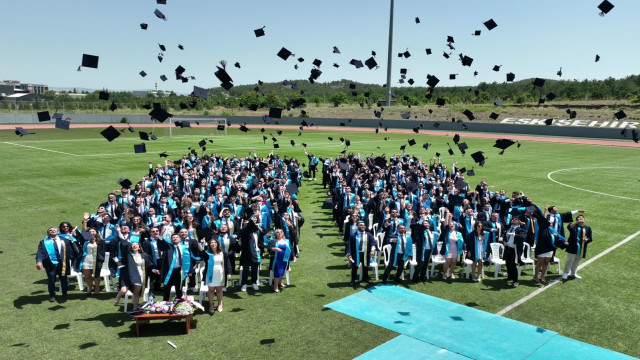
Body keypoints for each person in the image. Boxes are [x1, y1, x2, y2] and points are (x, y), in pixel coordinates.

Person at [113, 241, 158, 309]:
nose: (134, 246)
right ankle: (118, 296)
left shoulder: (145, 256)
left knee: (136, 292)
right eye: (132, 245)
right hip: (127, 276)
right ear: (130, 247)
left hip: (139, 276)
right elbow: (117, 256)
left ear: (139, 247)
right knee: (123, 290)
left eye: (136, 244)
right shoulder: (128, 255)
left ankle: (135, 308)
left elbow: (149, 266)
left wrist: (154, 270)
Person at [36, 227, 76, 302]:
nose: (53, 230)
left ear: (58, 232)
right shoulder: (44, 242)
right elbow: (40, 252)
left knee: (64, 279)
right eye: (50, 230)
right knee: (51, 280)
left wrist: (73, 261)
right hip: (50, 264)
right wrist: (39, 261)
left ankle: (64, 293)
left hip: (63, 263)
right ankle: (52, 295)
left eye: (54, 229)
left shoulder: (65, 240)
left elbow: (71, 251)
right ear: (48, 233)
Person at [200, 238, 231, 313]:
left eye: (215, 242)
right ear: (209, 245)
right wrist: (201, 245)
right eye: (211, 243)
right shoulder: (207, 253)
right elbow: (200, 255)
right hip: (210, 273)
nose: (213, 244)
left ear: (217, 244)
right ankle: (211, 305)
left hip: (220, 273)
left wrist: (229, 272)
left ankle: (220, 304)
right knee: (211, 290)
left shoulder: (222, 253)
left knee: (219, 289)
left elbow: (228, 263)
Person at [345, 221, 376, 286]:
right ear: (357, 226)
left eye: (364, 225)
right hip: (356, 254)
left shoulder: (368, 234)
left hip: (365, 254)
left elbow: (373, 242)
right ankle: (353, 280)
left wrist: (372, 250)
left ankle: (366, 278)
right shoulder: (353, 235)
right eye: (361, 225)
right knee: (354, 267)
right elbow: (349, 245)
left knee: (365, 267)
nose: (362, 226)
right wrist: (349, 254)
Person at [77, 227, 106, 295]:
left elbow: (102, 252)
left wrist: (100, 261)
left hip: (96, 260)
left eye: (93, 231)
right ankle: (90, 287)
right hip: (86, 259)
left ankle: (96, 288)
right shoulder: (85, 241)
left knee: (96, 275)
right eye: (90, 231)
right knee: (87, 275)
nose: (92, 233)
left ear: (96, 232)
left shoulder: (101, 241)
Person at [562, 215, 593, 280]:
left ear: (584, 220)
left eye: (582, 218)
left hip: (581, 247)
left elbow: (590, 238)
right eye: (578, 218)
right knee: (570, 260)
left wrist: (586, 240)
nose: (580, 218)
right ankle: (566, 273)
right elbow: (569, 227)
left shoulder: (587, 228)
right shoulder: (574, 226)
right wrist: (576, 222)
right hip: (572, 246)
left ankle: (573, 273)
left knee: (577, 260)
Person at [502, 216, 526, 288]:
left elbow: (523, 237)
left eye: (516, 219)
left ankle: (515, 281)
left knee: (513, 265)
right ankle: (510, 277)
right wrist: (504, 242)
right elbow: (505, 237)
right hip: (508, 248)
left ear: (519, 221)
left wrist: (514, 234)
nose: (514, 220)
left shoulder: (520, 229)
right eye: (513, 219)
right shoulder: (509, 228)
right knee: (507, 264)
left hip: (514, 250)